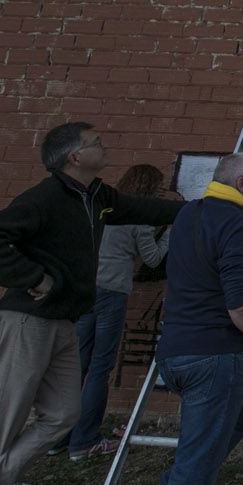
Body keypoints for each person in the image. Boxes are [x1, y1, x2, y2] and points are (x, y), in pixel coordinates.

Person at [0, 123, 180, 485]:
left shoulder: (97, 197)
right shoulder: (45, 198)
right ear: (74, 157)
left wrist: (201, 209)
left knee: (63, 415)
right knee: (1, 424)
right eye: (95, 142)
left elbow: (143, 208)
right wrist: (33, 277)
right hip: (26, 323)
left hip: (66, 321)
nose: (103, 145)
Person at [130, 152, 243, 485]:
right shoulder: (239, 226)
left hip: (177, 351)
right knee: (196, 472)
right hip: (216, 356)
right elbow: (241, 303)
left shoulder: (189, 215)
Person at [62, 162, 174, 460]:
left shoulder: (100, 205)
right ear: (150, 189)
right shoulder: (137, 215)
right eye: (159, 187)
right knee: (101, 367)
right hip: (112, 293)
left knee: (78, 365)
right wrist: (170, 231)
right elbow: (152, 259)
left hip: (85, 290)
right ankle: (84, 441)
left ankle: (58, 437)